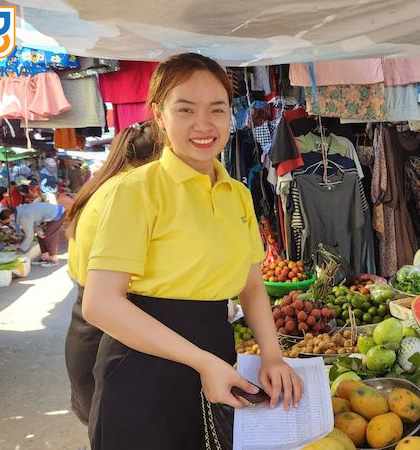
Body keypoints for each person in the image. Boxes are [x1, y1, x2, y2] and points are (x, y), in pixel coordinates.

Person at [82, 53, 302, 449]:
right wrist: (202, 361)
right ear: (159, 115)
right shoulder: (135, 191)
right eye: (185, 109)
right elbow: (100, 304)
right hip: (143, 367)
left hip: (218, 356)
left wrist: (272, 356)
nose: (204, 125)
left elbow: (252, 287)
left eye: (217, 110)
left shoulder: (237, 194)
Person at [64, 120, 162, 425]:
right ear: (155, 159)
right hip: (108, 331)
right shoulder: (128, 192)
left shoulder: (103, 185)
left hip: (84, 327)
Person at [0, 200, 66, 267]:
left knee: (48, 236)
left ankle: (54, 259)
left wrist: (22, 249)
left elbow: (30, 236)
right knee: (41, 235)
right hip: (52, 214)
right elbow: (34, 220)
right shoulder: (20, 210)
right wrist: (38, 231)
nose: (9, 223)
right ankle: (45, 257)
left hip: (57, 213)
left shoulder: (23, 216)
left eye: (8, 222)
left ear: (10, 216)